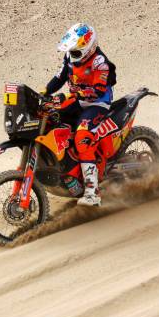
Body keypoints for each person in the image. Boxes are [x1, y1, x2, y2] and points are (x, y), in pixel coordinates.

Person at [43, 23, 117, 206]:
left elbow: (98, 91)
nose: (72, 56)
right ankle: (68, 170)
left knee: (82, 137)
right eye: (71, 52)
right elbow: (60, 77)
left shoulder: (100, 62)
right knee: (51, 118)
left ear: (89, 48)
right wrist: (43, 93)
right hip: (77, 100)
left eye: (76, 52)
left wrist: (70, 95)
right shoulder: (70, 56)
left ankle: (92, 192)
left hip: (97, 103)